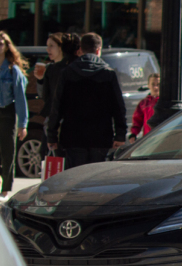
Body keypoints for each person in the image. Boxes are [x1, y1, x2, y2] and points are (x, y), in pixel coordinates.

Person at [47, 32, 126, 169]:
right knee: (96, 178)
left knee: (75, 178)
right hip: (101, 135)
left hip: (73, 135)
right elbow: (118, 107)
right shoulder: (108, 73)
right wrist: (120, 134)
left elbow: (57, 106)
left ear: (80, 50)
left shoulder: (67, 73)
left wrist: (52, 135)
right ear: (98, 50)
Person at [0, 31, 29, 199]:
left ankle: (5, 190)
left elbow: (20, 97)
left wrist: (22, 124)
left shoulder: (13, 70)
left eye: (0, 44)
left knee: (8, 152)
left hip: (7, 112)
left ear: (6, 46)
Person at [34, 32, 79, 144]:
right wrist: (40, 80)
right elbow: (44, 97)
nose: (48, 49)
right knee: (46, 156)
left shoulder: (70, 68)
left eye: (51, 46)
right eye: (47, 46)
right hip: (52, 119)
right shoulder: (50, 68)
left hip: (65, 119)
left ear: (60, 47)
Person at [130, 73, 159, 140]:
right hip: (148, 138)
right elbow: (137, 120)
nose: (156, 87)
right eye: (153, 84)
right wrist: (133, 134)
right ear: (148, 85)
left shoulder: (164, 102)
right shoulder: (144, 103)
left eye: (158, 85)